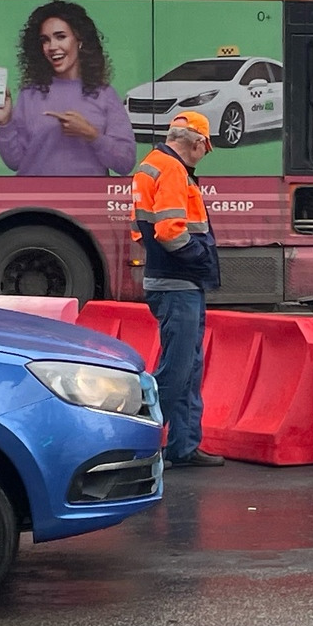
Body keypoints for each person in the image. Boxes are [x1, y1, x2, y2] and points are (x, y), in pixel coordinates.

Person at [131, 111, 224, 468]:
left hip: (167, 280)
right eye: (205, 148)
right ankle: (142, 445)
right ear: (197, 142)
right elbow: (171, 231)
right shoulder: (172, 169)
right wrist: (200, 259)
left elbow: (140, 232)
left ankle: (184, 446)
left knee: (189, 368)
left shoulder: (148, 166)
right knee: (177, 369)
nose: (203, 155)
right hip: (178, 282)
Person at [0, 0, 136, 177]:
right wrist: (4, 122)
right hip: (36, 200)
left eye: (60, 36)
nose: (52, 47)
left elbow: (125, 163)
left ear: (80, 41)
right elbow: (15, 162)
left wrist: (91, 134)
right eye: (45, 40)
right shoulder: (30, 94)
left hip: (88, 200)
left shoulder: (104, 95)